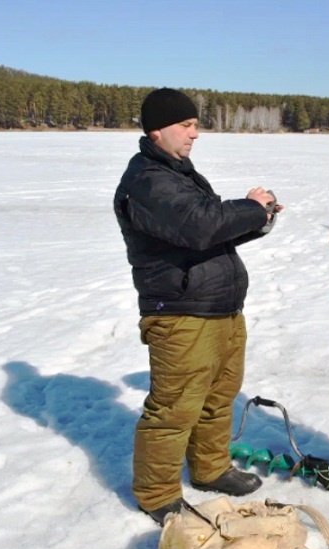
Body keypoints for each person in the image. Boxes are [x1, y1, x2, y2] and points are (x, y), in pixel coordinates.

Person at [113, 88, 282, 526]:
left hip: (219, 308)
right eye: (186, 125)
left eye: (195, 124)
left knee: (218, 397)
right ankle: (156, 494)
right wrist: (250, 207)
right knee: (174, 409)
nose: (195, 133)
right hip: (180, 313)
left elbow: (207, 232)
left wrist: (258, 218)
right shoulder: (149, 181)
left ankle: (210, 469)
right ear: (158, 130)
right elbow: (201, 224)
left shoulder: (178, 173)